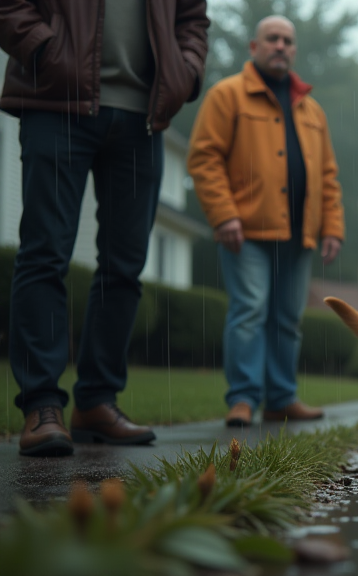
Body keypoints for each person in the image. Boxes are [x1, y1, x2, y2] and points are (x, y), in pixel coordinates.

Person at [1, 0, 209, 456]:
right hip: (57, 102)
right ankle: (41, 405)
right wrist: (45, 49)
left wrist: (186, 70)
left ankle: (97, 400)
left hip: (144, 119)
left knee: (125, 267)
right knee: (45, 254)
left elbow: (192, 18)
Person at [188, 15, 344, 427]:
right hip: (246, 231)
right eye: (272, 38)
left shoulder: (312, 110)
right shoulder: (227, 96)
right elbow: (204, 158)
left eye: (287, 41)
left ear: (294, 50)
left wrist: (332, 227)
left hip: (299, 234)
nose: (280, 46)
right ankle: (242, 399)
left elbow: (328, 175)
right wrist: (223, 215)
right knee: (250, 311)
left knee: (287, 320)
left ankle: (281, 399)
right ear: (253, 48)